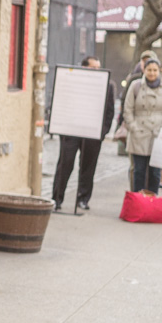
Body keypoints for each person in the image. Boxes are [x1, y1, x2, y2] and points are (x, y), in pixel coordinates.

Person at [51, 56, 115, 212]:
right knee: (65, 164)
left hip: (92, 133)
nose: (97, 71)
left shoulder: (107, 85)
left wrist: (102, 132)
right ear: (84, 67)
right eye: (93, 67)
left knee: (88, 168)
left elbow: (109, 111)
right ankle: (57, 198)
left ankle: (83, 198)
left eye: (98, 68)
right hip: (71, 130)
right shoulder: (73, 81)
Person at [123, 58, 162, 193]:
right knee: (139, 171)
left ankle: (152, 200)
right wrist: (133, 127)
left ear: (159, 71)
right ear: (144, 70)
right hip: (139, 133)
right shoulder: (135, 86)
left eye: (155, 70)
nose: (152, 73)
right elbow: (127, 109)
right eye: (149, 70)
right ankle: (138, 200)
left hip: (158, 134)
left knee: (155, 172)